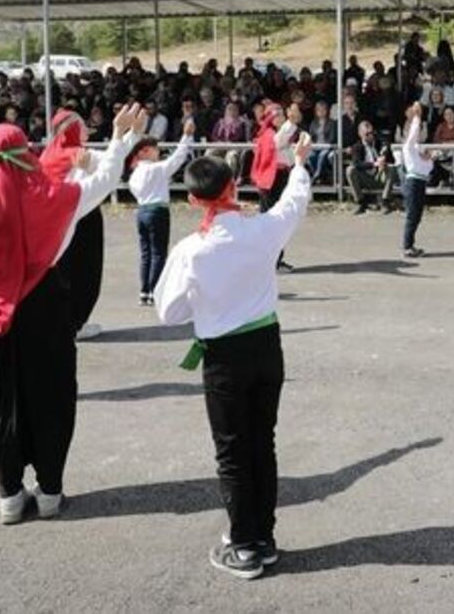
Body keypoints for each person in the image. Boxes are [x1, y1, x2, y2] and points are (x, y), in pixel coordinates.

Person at [0, 105, 144, 525]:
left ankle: (10, 498)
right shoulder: (52, 198)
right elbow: (103, 181)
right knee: (52, 398)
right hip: (45, 308)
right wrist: (119, 138)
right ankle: (50, 492)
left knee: (2, 404)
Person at [154, 133, 314, 580]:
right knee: (263, 440)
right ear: (234, 186)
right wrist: (299, 163)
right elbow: (293, 204)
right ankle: (262, 535)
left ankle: (242, 543)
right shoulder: (261, 229)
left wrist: (202, 303)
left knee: (232, 450)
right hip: (266, 344)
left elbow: (169, 312)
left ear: (191, 199)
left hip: (223, 354)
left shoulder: (191, 250)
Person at [41, 108, 130, 341]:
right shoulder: (78, 154)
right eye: (82, 126)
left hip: (57, 220)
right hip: (82, 215)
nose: (87, 130)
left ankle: (64, 321)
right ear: (72, 129)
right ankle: (76, 323)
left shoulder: (48, 154)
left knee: (63, 271)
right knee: (85, 273)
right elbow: (114, 166)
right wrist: (125, 134)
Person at [126, 120, 196, 306]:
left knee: (146, 253)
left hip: (142, 210)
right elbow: (178, 158)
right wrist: (186, 136)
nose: (157, 151)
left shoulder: (135, 174)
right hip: (157, 210)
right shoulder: (155, 169)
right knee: (158, 253)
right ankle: (155, 289)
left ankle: (145, 290)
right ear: (143, 153)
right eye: (153, 149)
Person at [250, 101, 298, 273]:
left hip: (280, 178)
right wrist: (291, 123)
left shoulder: (274, 133)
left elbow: (288, 155)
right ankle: (272, 261)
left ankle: (274, 259)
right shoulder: (268, 134)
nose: (281, 117)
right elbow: (279, 142)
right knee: (274, 221)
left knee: (276, 220)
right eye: (277, 115)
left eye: (282, 114)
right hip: (272, 181)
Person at [400, 103, 434, 257]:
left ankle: (410, 244)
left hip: (420, 182)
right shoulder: (408, 147)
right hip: (413, 182)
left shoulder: (417, 149)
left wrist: (428, 158)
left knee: (417, 215)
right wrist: (417, 117)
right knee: (412, 215)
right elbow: (413, 133)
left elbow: (428, 167)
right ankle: (407, 246)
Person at [347, 120, 395, 214]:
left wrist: (384, 157)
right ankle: (360, 202)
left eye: (372, 132)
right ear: (360, 134)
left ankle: (385, 202)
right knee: (350, 170)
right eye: (367, 133)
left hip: (380, 176)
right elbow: (357, 163)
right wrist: (374, 164)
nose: (370, 136)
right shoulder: (357, 146)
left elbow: (391, 157)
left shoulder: (379, 143)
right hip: (366, 178)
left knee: (391, 169)